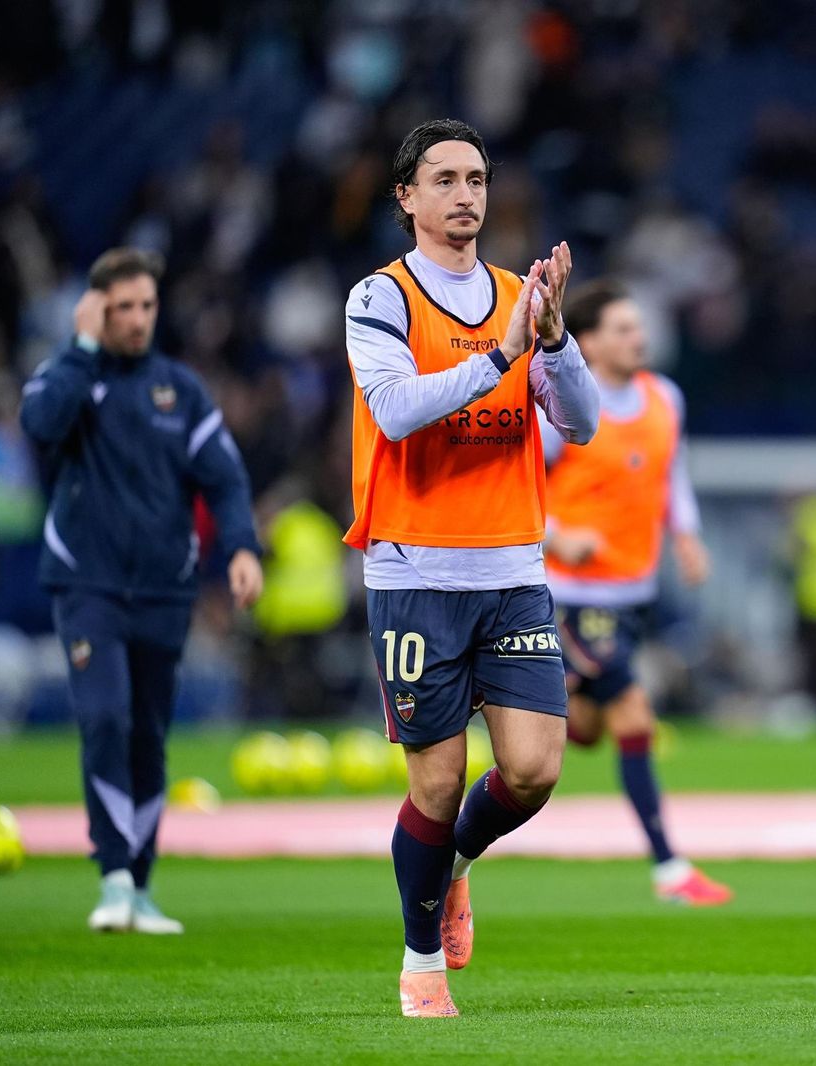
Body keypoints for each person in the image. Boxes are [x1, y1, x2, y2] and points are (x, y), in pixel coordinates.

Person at [343, 118, 598, 1018]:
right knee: (438, 781)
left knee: (532, 772)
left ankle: (451, 863)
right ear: (407, 196)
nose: (466, 195)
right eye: (445, 179)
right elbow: (401, 411)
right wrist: (504, 354)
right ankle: (420, 965)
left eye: (478, 178)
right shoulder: (379, 300)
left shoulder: (519, 296)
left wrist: (556, 340)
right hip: (414, 575)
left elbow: (583, 423)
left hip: (511, 569)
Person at [18, 247, 263, 934]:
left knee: (151, 734)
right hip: (87, 584)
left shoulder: (180, 391)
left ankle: (140, 886)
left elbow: (225, 478)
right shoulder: (72, 376)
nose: (136, 320)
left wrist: (242, 545)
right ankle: (115, 874)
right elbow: (40, 427)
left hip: (164, 589)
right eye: (122, 308)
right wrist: (82, 345)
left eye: (145, 306)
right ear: (97, 310)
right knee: (104, 719)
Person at [543, 281, 731, 906]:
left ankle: (529, 701)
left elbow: (671, 472)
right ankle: (669, 867)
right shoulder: (567, 408)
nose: (638, 338)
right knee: (634, 715)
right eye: (623, 329)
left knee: (590, 730)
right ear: (588, 342)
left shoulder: (663, 398)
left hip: (635, 590)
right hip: (573, 593)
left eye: (639, 326)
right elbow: (512, 483)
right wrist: (556, 535)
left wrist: (687, 535)